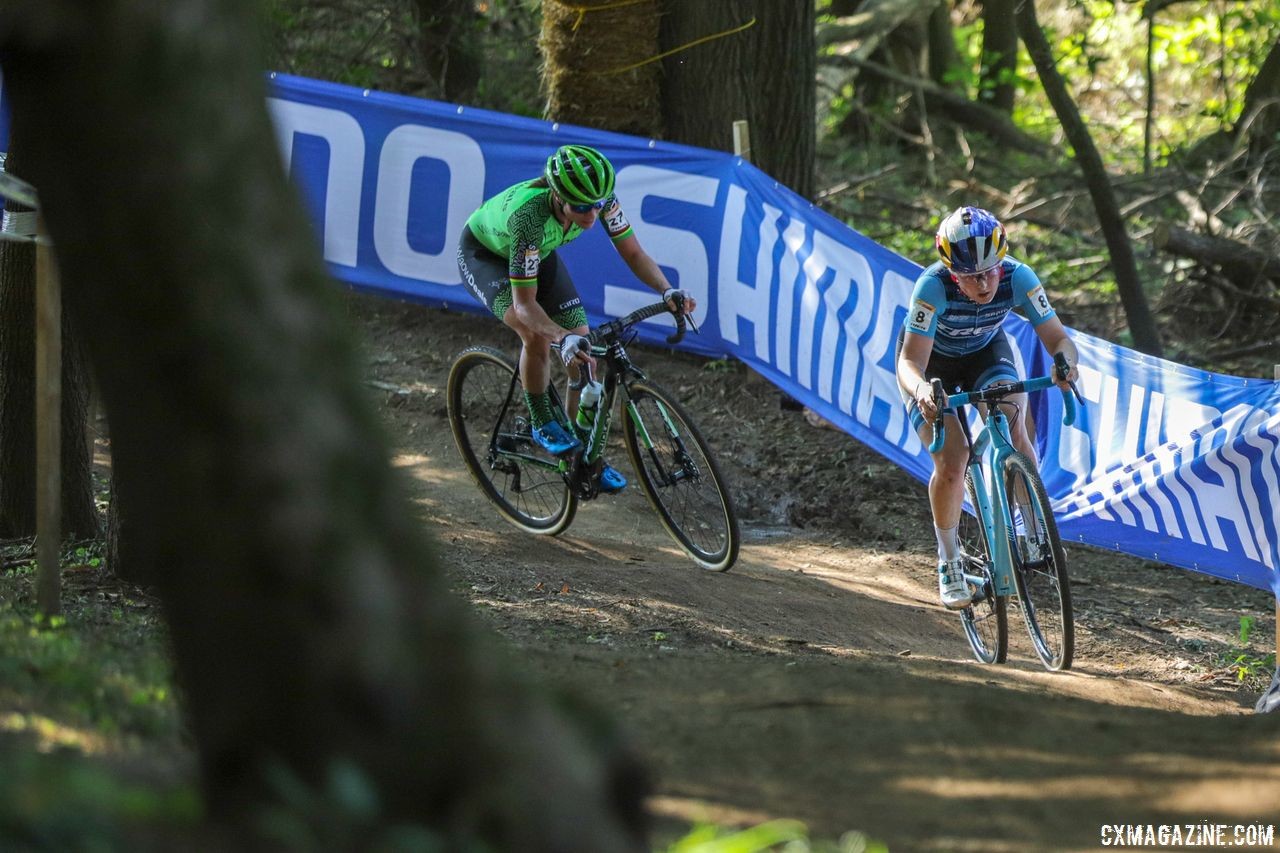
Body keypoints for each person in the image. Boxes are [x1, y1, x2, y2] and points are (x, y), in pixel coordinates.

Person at [456, 143, 694, 493]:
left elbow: (633, 252)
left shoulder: (601, 197)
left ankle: (579, 455)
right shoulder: (529, 218)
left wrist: (666, 289)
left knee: (585, 357)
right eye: (581, 207)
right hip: (485, 256)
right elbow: (524, 306)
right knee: (536, 335)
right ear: (557, 195)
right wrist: (559, 336)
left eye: (597, 205)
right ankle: (540, 420)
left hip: (538, 253)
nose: (591, 214)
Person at [896, 206, 1080, 609]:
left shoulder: (1020, 277)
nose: (983, 284)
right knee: (953, 458)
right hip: (932, 367)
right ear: (952, 273)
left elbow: (1059, 340)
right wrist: (923, 392)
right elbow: (909, 363)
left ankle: (1034, 528)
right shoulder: (932, 287)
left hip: (984, 354)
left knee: (1014, 426)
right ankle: (949, 560)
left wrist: (1066, 364)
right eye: (970, 277)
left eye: (990, 272)